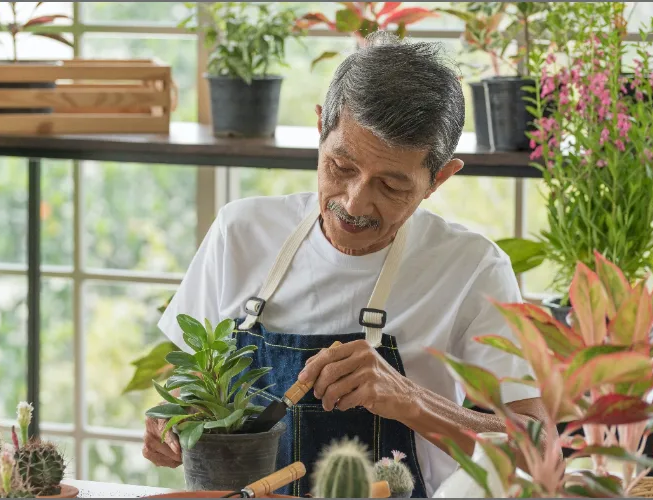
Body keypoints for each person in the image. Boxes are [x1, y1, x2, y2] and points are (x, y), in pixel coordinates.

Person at [144, 32, 546, 497]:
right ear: (320, 127)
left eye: (392, 186)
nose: (355, 202)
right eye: (341, 166)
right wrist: (174, 419)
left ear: (438, 179)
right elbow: (189, 379)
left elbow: (538, 448)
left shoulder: (473, 268)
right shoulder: (241, 232)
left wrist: (411, 401)